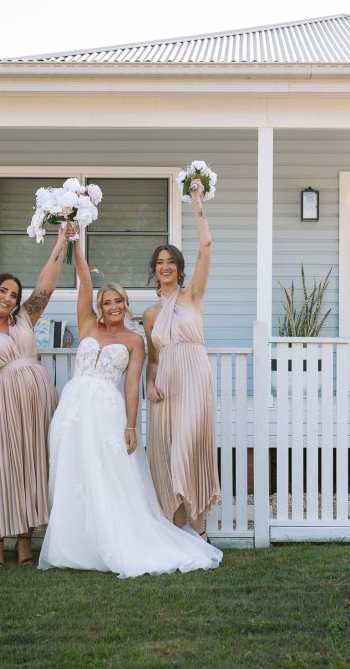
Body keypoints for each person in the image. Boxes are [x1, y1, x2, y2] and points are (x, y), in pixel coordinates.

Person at [38, 228, 221, 577]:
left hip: (107, 408)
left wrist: (130, 425)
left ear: (126, 305)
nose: (112, 307)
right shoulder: (88, 326)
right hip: (73, 409)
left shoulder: (136, 339)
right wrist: (72, 240)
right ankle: (73, 545)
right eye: (107, 302)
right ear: (100, 307)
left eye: (118, 301)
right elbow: (82, 278)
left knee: (107, 475)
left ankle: (125, 538)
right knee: (71, 473)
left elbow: (134, 385)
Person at [0, 225, 70, 568]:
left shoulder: (24, 319)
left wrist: (62, 240)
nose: (8, 298)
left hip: (38, 401)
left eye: (14, 294)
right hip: (0, 403)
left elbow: (47, 284)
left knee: (35, 465)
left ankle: (24, 540)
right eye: (3, 291)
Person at [143, 178, 220, 539]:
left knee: (189, 446)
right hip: (166, 386)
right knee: (168, 450)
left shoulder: (193, 297)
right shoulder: (150, 313)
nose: (165, 266)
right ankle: (177, 530)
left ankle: (199, 528)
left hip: (194, 378)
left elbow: (207, 245)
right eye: (160, 262)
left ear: (179, 266)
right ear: (154, 269)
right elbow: (153, 359)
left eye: (171, 261)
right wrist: (149, 383)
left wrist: (196, 199)